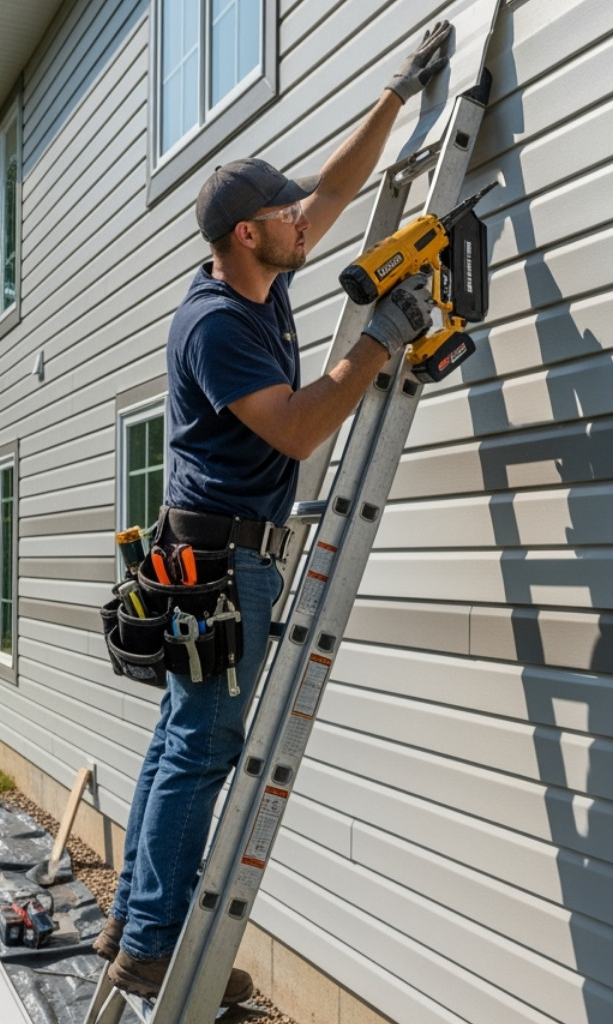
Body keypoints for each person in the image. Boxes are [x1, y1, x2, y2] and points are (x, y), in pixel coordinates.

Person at [95, 22, 455, 1006]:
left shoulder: (257, 275)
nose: (308, 218)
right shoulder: (216, 323)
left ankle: (135, 921)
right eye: (284, 213)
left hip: (203, 551)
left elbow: (336, 189)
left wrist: (393, 93)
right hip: (219, 566)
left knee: (180, 737)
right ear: (248, 233)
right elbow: (297, 431)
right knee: (204, 746)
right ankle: (158, 943)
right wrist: (382, 336)